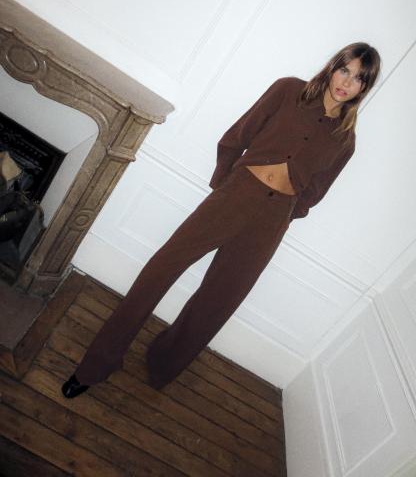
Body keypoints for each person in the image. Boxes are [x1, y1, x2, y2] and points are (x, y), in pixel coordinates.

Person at [62, 42, 381, 398]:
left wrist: (285, 214)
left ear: (364, 89)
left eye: (358, 79)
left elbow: (315, 193)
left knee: (218, 301)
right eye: (344, 70)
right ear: (333, 67)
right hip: (236, 194)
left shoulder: (345, 140)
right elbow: (238, 136)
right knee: (162, 268)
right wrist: (225, 186)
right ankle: (98, 363)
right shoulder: (288, 90)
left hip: (273, 219)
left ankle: (162, 362)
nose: (347, 82)